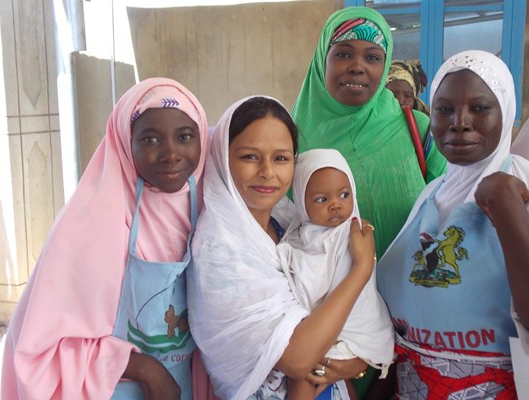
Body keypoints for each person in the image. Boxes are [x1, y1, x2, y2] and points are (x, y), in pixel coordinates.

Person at [1, 77, 208, 399]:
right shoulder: (90, 222)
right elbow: (43, 348)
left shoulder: (209, 205)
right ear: (126, 143)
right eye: (151, 139)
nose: (171, 153)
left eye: (184, 136)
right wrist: (145, 369)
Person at [290, 7, 447, 396]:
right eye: (343, 53)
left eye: (372, 57)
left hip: (419, 325)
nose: (357, 67)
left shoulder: (420, 130)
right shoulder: (292, 144)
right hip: (330, 334)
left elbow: (453, 210)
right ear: (322, 60)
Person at [187, 96, 376, 399]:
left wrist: (356, 359)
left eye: (281, 158)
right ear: (223, 157)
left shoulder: (285, 220)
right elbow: (297, 358)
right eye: (250, 157)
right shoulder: (221, 250)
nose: (267, 172)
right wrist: (361, 270)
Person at [376, 49, 529, 398]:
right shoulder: (432, 194)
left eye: (479, 108)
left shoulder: (519, 188)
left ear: (505, 110)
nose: (459, 121)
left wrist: (507, 210)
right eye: (444, 109)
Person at [278, 148, 394, 400]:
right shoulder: (298, 237)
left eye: (344, 194)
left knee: (303, 376)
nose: (336, 205)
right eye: (322, 199)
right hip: (320, 333)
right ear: (301, 201)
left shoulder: (353, 235)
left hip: (352, 332)